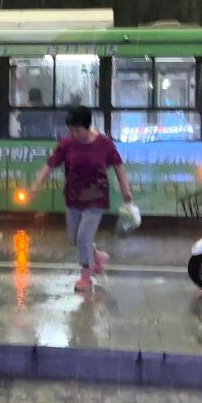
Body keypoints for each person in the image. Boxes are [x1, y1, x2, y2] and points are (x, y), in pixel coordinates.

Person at [30, 106, 134, 292]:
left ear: (87, 127)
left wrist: (126, 190)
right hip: (73, 197)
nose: (74, 134)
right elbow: (50, 165)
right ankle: (97, 256)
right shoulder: (67, 144)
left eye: (77, 130)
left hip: (96, 197)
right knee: (74, 238)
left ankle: (86, 276)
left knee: (84, 236)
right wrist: (35, 186)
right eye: (71, 130)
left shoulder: (104, 144)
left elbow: (118, 166)